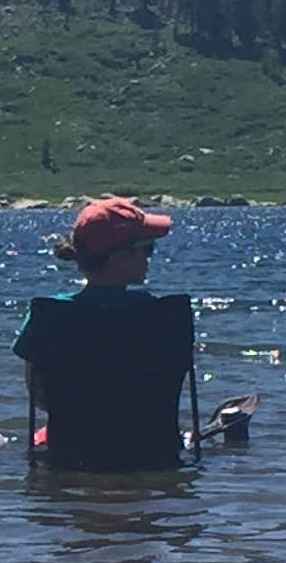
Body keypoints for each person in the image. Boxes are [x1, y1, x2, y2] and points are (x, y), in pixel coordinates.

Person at [14, 196, 198, 470]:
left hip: (71, 450)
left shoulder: (48, 315)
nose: (149, 257)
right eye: (146, 248)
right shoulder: (166, 315)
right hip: (153, 450)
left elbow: (39, 396)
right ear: (119, 257)